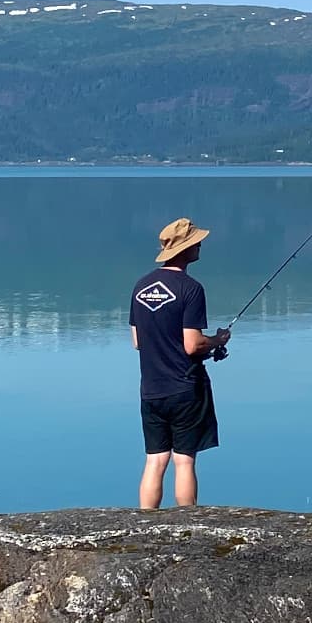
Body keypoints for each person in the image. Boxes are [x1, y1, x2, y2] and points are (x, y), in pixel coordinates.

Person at [129, 217, 231, 509]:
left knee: (155, 459)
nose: (200, 245)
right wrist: (217, 340)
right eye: (196, 242)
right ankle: (186, 524)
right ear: (185, 249)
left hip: (151, 389)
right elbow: (192, 344)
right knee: (184, 461)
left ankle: (146, 521)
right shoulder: (191, 288)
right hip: (185, 388)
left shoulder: (141, 286)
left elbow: (137, 341)